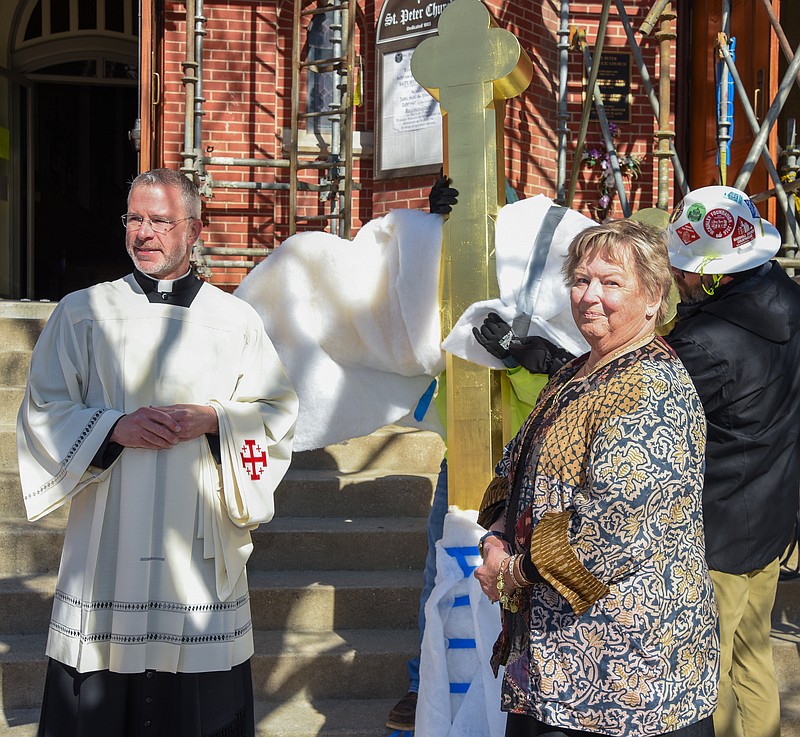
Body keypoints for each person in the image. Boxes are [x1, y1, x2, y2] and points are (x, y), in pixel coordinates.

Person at [16, 168, 299, 737]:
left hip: (195, 545)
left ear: (194, 230)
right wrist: (111, 428)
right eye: (135, 219)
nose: (144, 233)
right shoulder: (83, 313)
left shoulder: (235, 320)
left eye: (161, 221)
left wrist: (215, 418)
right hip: (108, 539)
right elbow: (43, 407)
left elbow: (273, 414)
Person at [474, 219, 719, 737]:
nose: (590, 296)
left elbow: (611, 531)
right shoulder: (575, 371)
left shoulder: (652, 386)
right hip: (554, 662)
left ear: (653, 296)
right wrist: (495, 538)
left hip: (625, 675)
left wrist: (512, 572)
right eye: (581, 280)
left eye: (611, 283)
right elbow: (513, 468)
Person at [664, 186, 800, 737]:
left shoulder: (703, 340)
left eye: (688, 270)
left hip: (716, 530)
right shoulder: (788, 298)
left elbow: (641, 392)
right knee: (752, 655)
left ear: (717, 272)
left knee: (707, 671)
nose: (679, 278)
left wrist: (549, 359)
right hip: (771, 514)